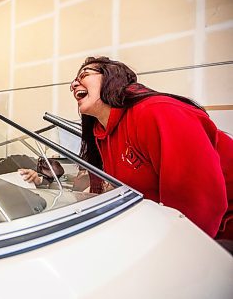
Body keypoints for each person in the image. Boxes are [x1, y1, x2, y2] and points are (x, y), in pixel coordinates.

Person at [70, 56, 233, 239]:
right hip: (165, 226)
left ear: (111, 77)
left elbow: (201, 203)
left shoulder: (157, 111)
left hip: (217, 232)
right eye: (73, 82)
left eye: (83, 75)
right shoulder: (101, 133)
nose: (74, 85)